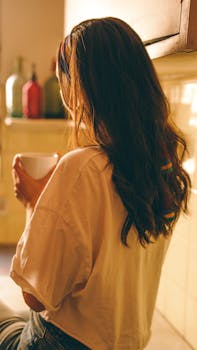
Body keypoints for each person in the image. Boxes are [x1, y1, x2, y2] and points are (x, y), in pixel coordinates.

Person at [0, 17, 191, 349]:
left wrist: (34, 204)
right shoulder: (164, 169)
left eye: (66, 73)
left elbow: (35, 295)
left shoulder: (82, 167)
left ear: (82, 86)